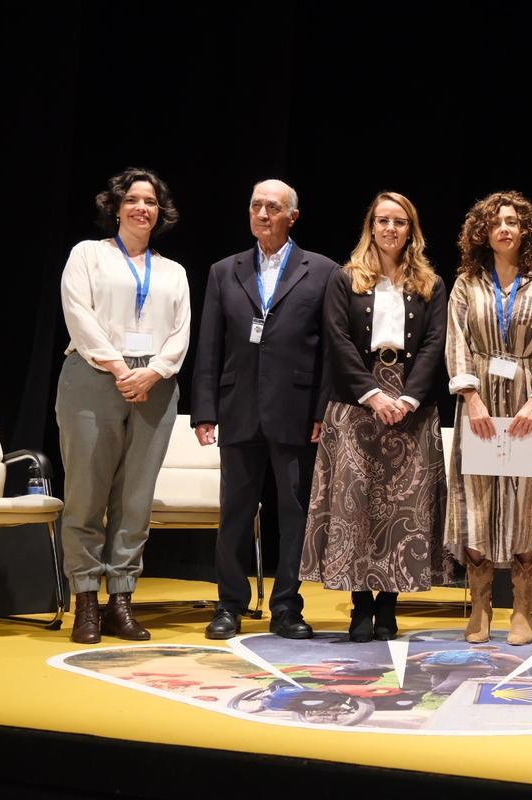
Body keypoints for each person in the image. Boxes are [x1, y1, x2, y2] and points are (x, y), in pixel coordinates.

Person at [299, 191, 450, 642]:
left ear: (411, 231)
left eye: (399, 222)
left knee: (403, 508)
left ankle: (389, 605)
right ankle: (360, 605)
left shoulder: (431, 283)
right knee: (357, 505)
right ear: (371, 227)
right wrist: (372, 394)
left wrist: (408, 398)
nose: (390, 229)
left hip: (411, 403)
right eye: (383, 221)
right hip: (355, 399)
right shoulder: (345, 278)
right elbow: (337, 339)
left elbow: (435, 343)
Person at [192, 179, 337, 640]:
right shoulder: (224, 270)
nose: (262, 214)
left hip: (297, 409)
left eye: (272, 207)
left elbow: (330, 350)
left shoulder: (323, 270)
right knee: (234, 511)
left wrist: (322, 410)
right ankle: (229, 605)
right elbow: (209, 345)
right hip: (238, 406)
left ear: (293, 216)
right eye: (256, 205)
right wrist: (204, 410)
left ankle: (287, 607)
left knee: (294, 512)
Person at [56, 166, 190, 644]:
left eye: (150, 202)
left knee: (135, 500)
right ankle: (86, 602)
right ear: (115, 207)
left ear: (160, 212)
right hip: (94, 377)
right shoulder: (88, 255)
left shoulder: (173, 271)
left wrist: (153, 372)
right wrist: (118, 368)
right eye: (133, 199)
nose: (142, 208)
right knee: (87, 495)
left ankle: (121, 601)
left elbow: (180, 332)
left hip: (155, 385)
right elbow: (79, 314)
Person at [445, 191, 532, 646]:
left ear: (525, 230)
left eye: (512, 221)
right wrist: (472, 399)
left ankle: (522, 609)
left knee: (527, 505)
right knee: (476, 502)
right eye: (495, 223)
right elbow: (456, 341)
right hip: (477, 404)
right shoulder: (466, 284)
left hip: (526, 405)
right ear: (483, 232)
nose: (504, 229)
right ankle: (480, 607)